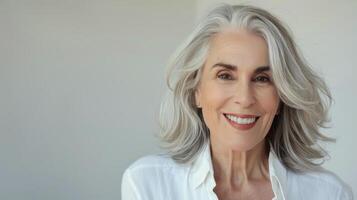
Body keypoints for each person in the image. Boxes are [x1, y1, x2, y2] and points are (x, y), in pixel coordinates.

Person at [121, 4, 353, 200]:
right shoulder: (147, 183)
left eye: (262, 79)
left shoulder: (329, 193)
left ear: (282, 96)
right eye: (225, 76)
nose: (244, 98)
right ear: (196, 90)